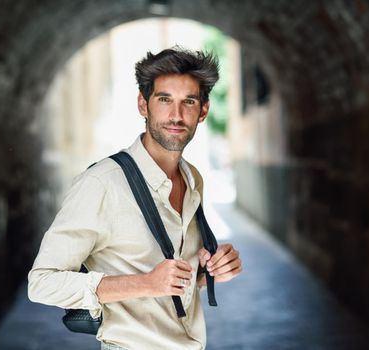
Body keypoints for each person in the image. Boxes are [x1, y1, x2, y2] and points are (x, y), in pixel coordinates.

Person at [28, 47, 242, 349]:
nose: (176, 115)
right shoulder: (101, 183)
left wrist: (212, 269)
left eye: (189, 102)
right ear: (144, 105)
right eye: (164, 99)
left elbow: (173, 277)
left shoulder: (193, 178)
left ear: (203, 111)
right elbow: (42, 283)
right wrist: (145, 283)